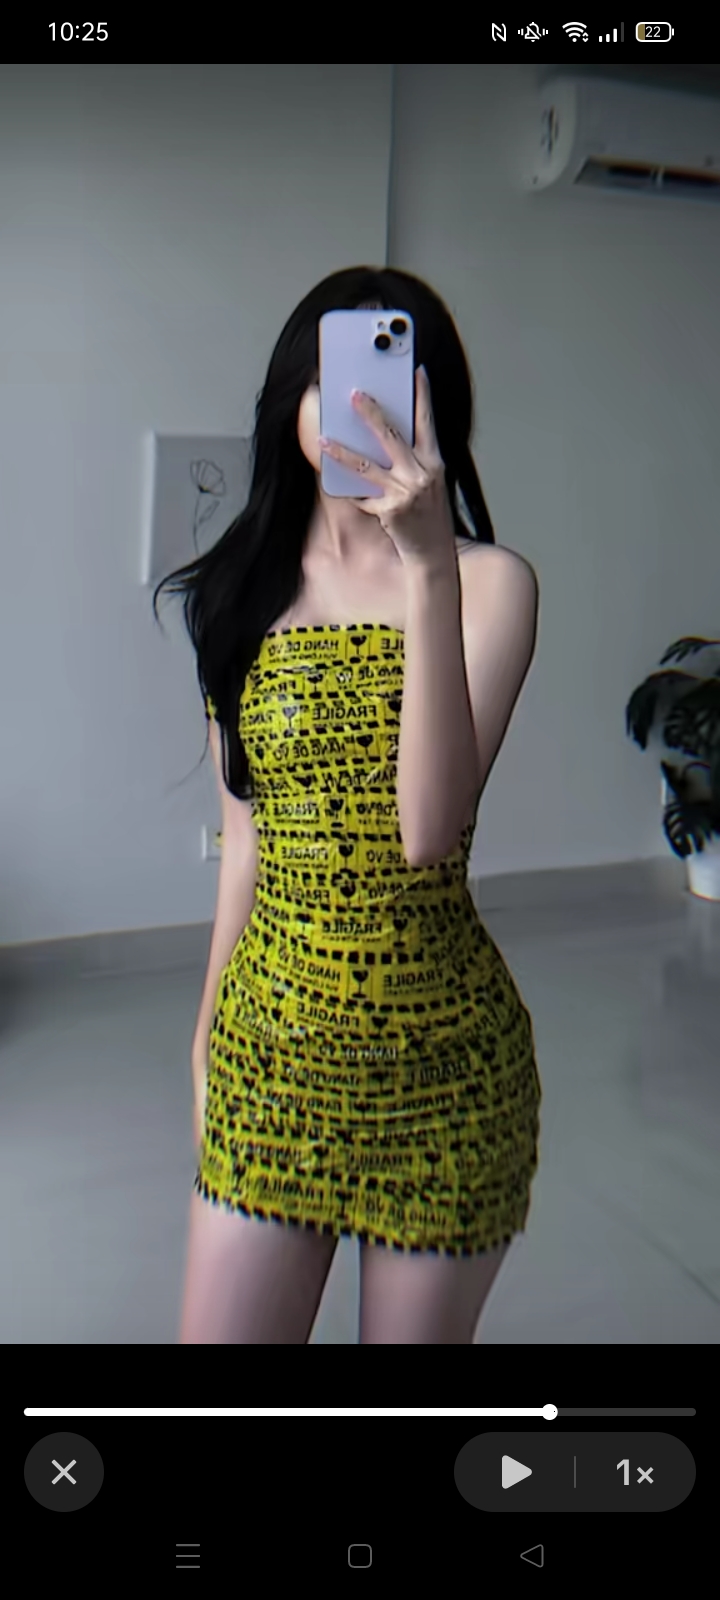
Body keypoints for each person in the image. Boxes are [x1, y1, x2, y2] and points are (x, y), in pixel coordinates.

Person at [153, 264, 541, 1344]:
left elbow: (428, 833)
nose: (364, 406)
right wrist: (207, 1034)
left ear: (439, 414)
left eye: (395, 380)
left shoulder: (491, 584)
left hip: (446, 1075)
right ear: (295, 398)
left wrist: (427, 568)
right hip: (271, 1053)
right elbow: (245, 840)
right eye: (339, 378)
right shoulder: (235, 593)